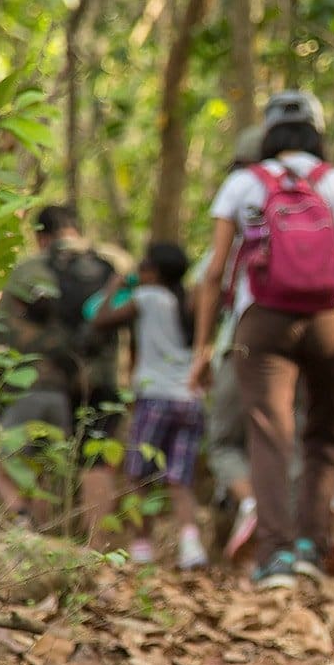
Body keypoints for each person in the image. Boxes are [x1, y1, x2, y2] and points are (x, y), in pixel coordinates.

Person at [187, 90, 334, 589]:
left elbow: (213, 274)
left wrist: (204, 348)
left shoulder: (242, 183)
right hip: (333, 322)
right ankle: (311, 551)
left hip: (262, 322)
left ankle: (273, 558)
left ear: (269, 132)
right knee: (324, 435)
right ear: (318, 132)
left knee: (269, 434)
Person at [0, 204, 131, 535]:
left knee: (33, 461)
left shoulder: (30, 270)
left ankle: (34, 540)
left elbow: (1, 332)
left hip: (46, 380)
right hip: (100, 380)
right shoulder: (113, 265)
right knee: (96, 463)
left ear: (41, 236)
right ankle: (98, 549)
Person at [91, 242, 208, 570]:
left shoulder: (147, 297)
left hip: (155, 395)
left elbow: (100, 320)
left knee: (140, 476)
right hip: (189, 397)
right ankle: (191, 546)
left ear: (153, 272)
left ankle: (142, 547)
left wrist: (113, 286)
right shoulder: (188, 301)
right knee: (179, 479)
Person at [191, 124, 268, 558]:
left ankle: (250, 502)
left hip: (238, 343)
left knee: (224, 441)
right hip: (305, 344)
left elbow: (208, 280)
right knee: (281, 438)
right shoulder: (316, 198)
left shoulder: (236, 216)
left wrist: (201, 351)